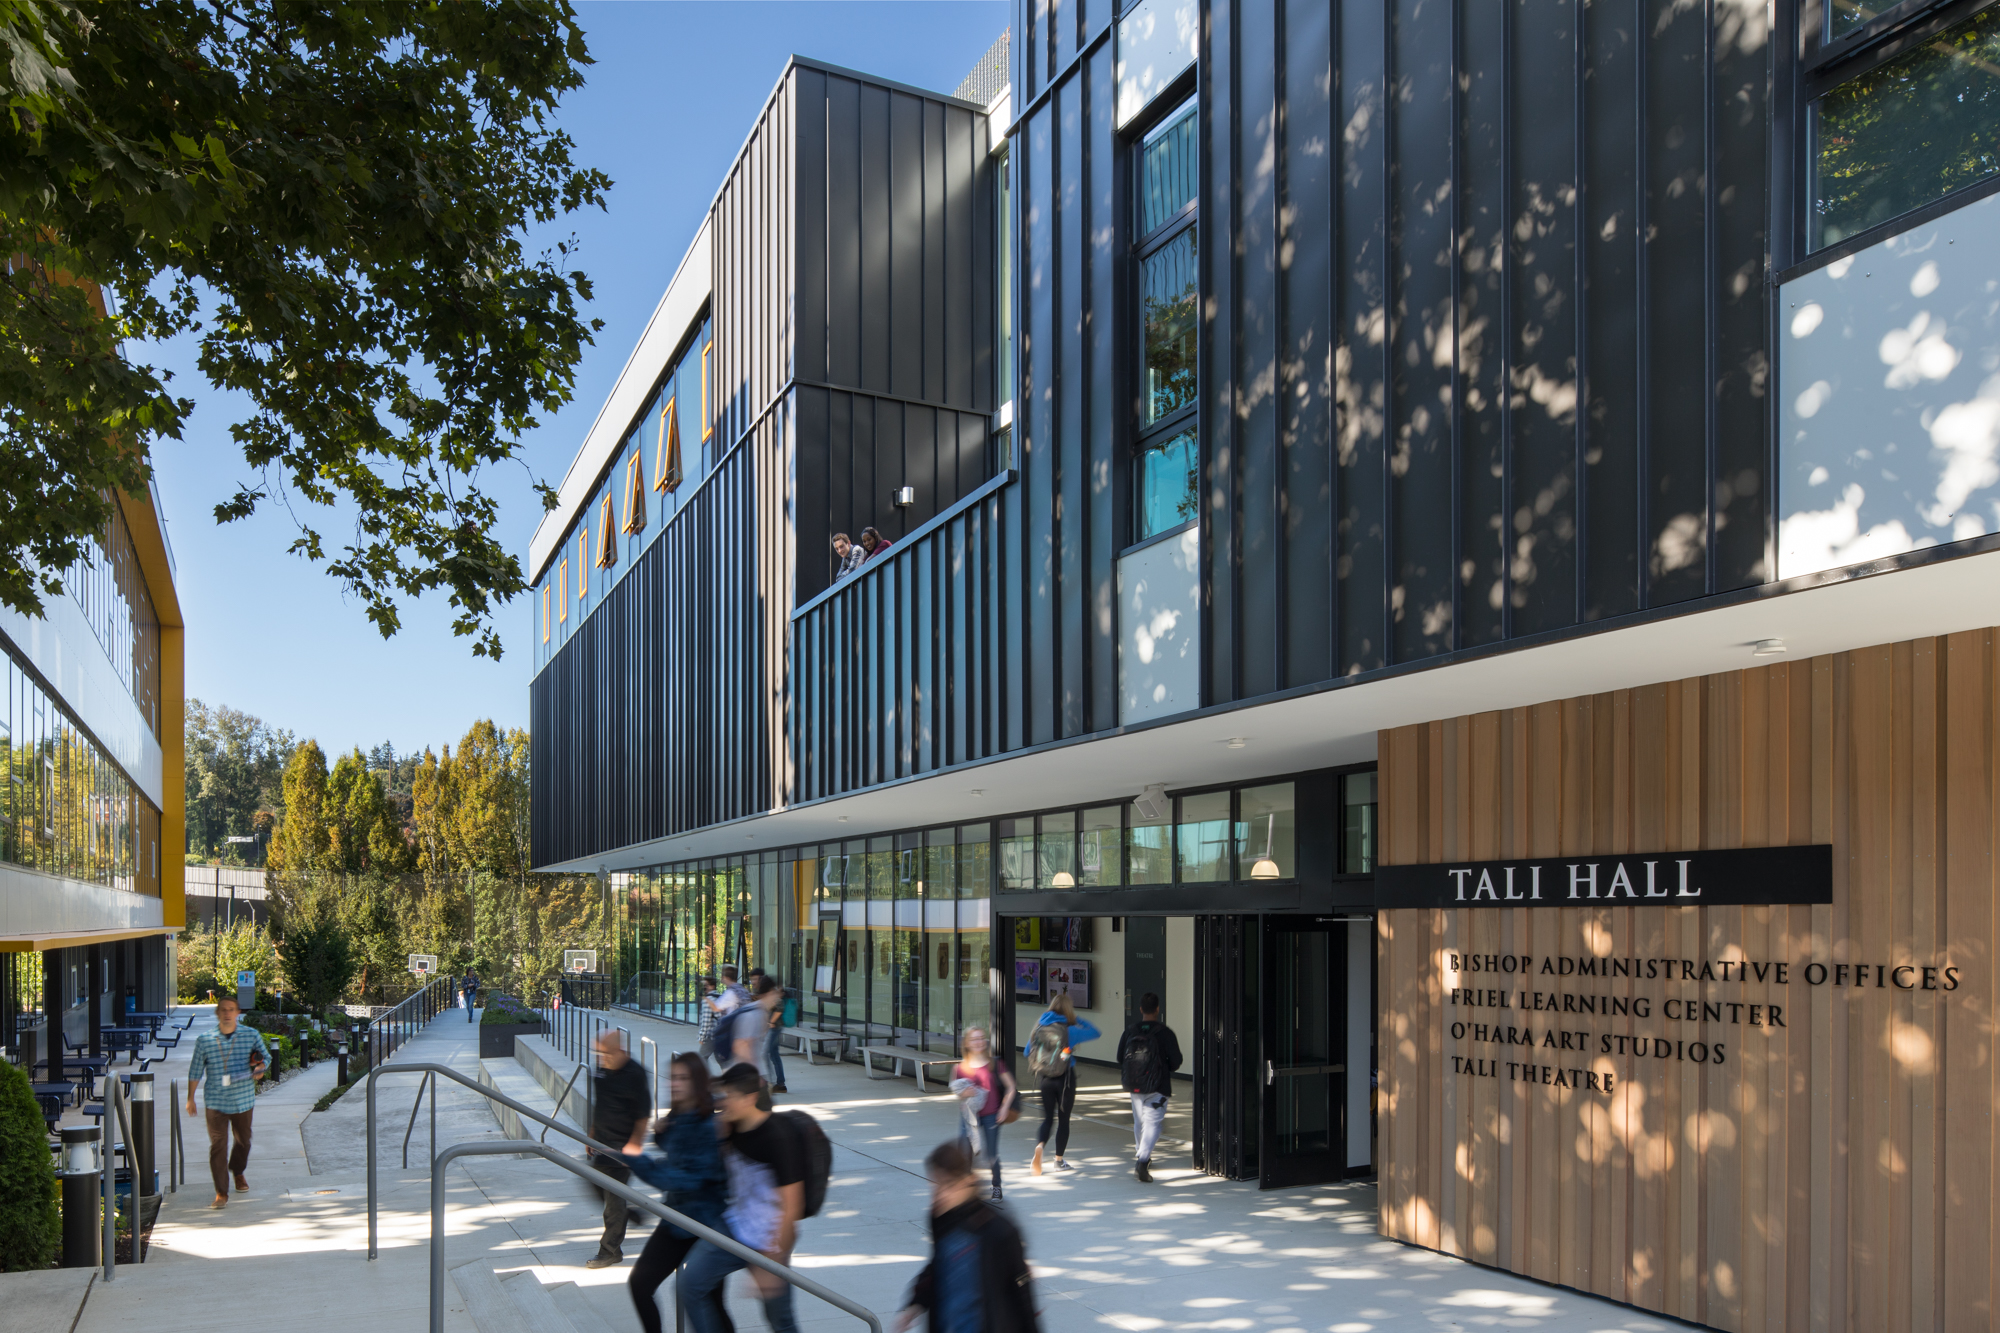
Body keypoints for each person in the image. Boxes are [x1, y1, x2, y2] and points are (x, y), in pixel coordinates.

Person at [680, 1062, 808, 1333]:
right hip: (735, 1226)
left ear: (749, 1098)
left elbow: (792, 1208)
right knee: (689, 1285)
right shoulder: (731, 1127)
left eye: (729, 1097)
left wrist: (773, 1262)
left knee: (781, 1321)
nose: (723, 1103)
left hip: (769, 1240)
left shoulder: (778, 1137)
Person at [622, 1053, 730, 1333]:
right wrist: (660, 1133)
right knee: (641, 1284)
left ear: (698, 1083)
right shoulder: (679, 1117)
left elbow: (685, 1179)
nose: (675, 1084)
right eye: (673, 1078)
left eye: (683, 1078)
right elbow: (676, 1151)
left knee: (710, 1300)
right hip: (677, 1218)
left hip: (704, 1224)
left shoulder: (709, 1127)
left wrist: (635, 1158)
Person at [893, 1140, 1040, 1333]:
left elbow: (1022, 1294)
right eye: (935, 1184)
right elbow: (939, 1265)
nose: (940, 1194)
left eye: (948, 1185)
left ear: (968, 1182)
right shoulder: (940, 1219)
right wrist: (915, 1304)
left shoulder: (1000, 1230)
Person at [184, 994, 271, 1208]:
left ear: (238, 1013)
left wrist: (260, 1068)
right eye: (223, 1009)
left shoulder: (251, 1035)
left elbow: (266, 1058)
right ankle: (221, 1192)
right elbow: (195, 1070)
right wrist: (190, 1098)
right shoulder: (204, 1040)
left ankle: (238, 1171)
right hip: (215, 1101)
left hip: (242, 1099)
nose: (227, 1013)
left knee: (244, 1141)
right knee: (218, 1145)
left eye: (231, 1009)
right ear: (217, 1013)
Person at [587, 1029, 655, 1268]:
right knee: (594, 1186)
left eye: (606, 1053)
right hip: (601, 1143)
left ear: (620, 1051)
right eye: (598, 1053)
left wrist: (634, 1145)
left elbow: (644, 1113)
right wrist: (592, 1133)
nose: (601, 1058)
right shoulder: (603, 1068)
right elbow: (601, 1102)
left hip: (622, 1146)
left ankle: (610, 1251)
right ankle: (629, 1214)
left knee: (613, 1204)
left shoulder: (635, 1073)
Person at [1023, 993, 1099, 1175]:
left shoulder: (1040, 1026)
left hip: (1044, 1079)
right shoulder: (1069, 1030)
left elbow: (1027, 1052)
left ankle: (1040, 1146)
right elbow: (1096, 1032)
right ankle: (1058, 1161)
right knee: (1064, 1120)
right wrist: (1076, 1018)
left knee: (1047, 1119)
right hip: (1065, 1080)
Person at [1116, 992, 1184, 1183]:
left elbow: (1120, 1057)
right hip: (1158, 1086)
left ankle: (1141, 1155)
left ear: (1140, 1009)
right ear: (1157, 1009)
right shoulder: (1165, 1032)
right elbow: (1177, 1060)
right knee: (1153, 1123)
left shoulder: (1130, 1030)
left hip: (1135, 1085)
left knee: (1139, 1122)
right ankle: (1143, 1160)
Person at [951, 1025, 1017, 1200]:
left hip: (991, 1115)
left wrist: (1004, 1107)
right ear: (966, 1043)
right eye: (974, 1039)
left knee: (991, 1153)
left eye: (982, 1038)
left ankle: (996, 1186)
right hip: (969, 1116)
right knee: (965, 1151)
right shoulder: (960, 1067)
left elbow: (1011, 1087)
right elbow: (957, 1091)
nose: (979, 1042)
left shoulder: (995, 1063)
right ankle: (967, 1188)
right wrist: (964, 1094)